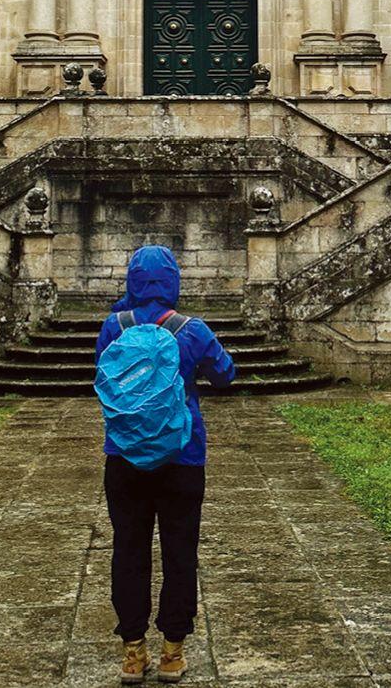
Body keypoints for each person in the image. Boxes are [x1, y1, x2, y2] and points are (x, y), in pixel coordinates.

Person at [95, 245, 236, 684]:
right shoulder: (190, 330)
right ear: (175, 281)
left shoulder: (113, 326)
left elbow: (102, 378)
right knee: (180, 553)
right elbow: (226, 375)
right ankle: (173, 652)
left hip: (124, 457)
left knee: (129, 550)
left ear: (131, 280)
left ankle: (133, 653)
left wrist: (126, 311)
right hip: (183, 456)